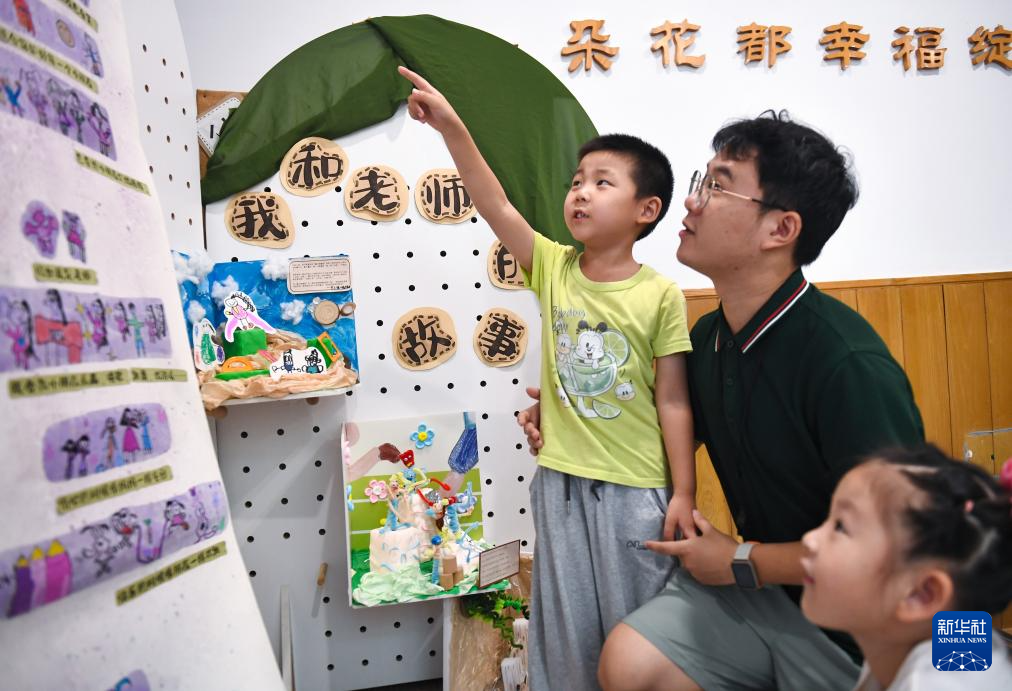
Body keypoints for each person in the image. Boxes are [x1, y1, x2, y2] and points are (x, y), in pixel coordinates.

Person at [521, 111, 927, 690]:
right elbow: (662, 420)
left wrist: (744, 560)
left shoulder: (847, 362)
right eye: (701, 181)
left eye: (717, 186)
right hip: (760, 597)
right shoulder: (712, 337)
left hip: (858, 628)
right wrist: (567, 407)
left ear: (780, 229)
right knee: (629, 662)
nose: (691, 202)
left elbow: (898, 544)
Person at [398, 66, 697, 691]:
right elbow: (494, 203)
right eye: (576, 182)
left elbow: (673, 401)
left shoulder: (662, 294)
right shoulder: (555, 268)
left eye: (602, 182)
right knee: (563, 631)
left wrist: (683, 494)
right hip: (559, 480)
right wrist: (452, 128)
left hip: (635, 490)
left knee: (640, 634)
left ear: (647, 210)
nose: (580, 193)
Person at [801, 446, 1012, 689]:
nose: (809, 539)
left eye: (840, 527)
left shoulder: (937, 684)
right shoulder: (952, 628)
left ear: (921, 594)